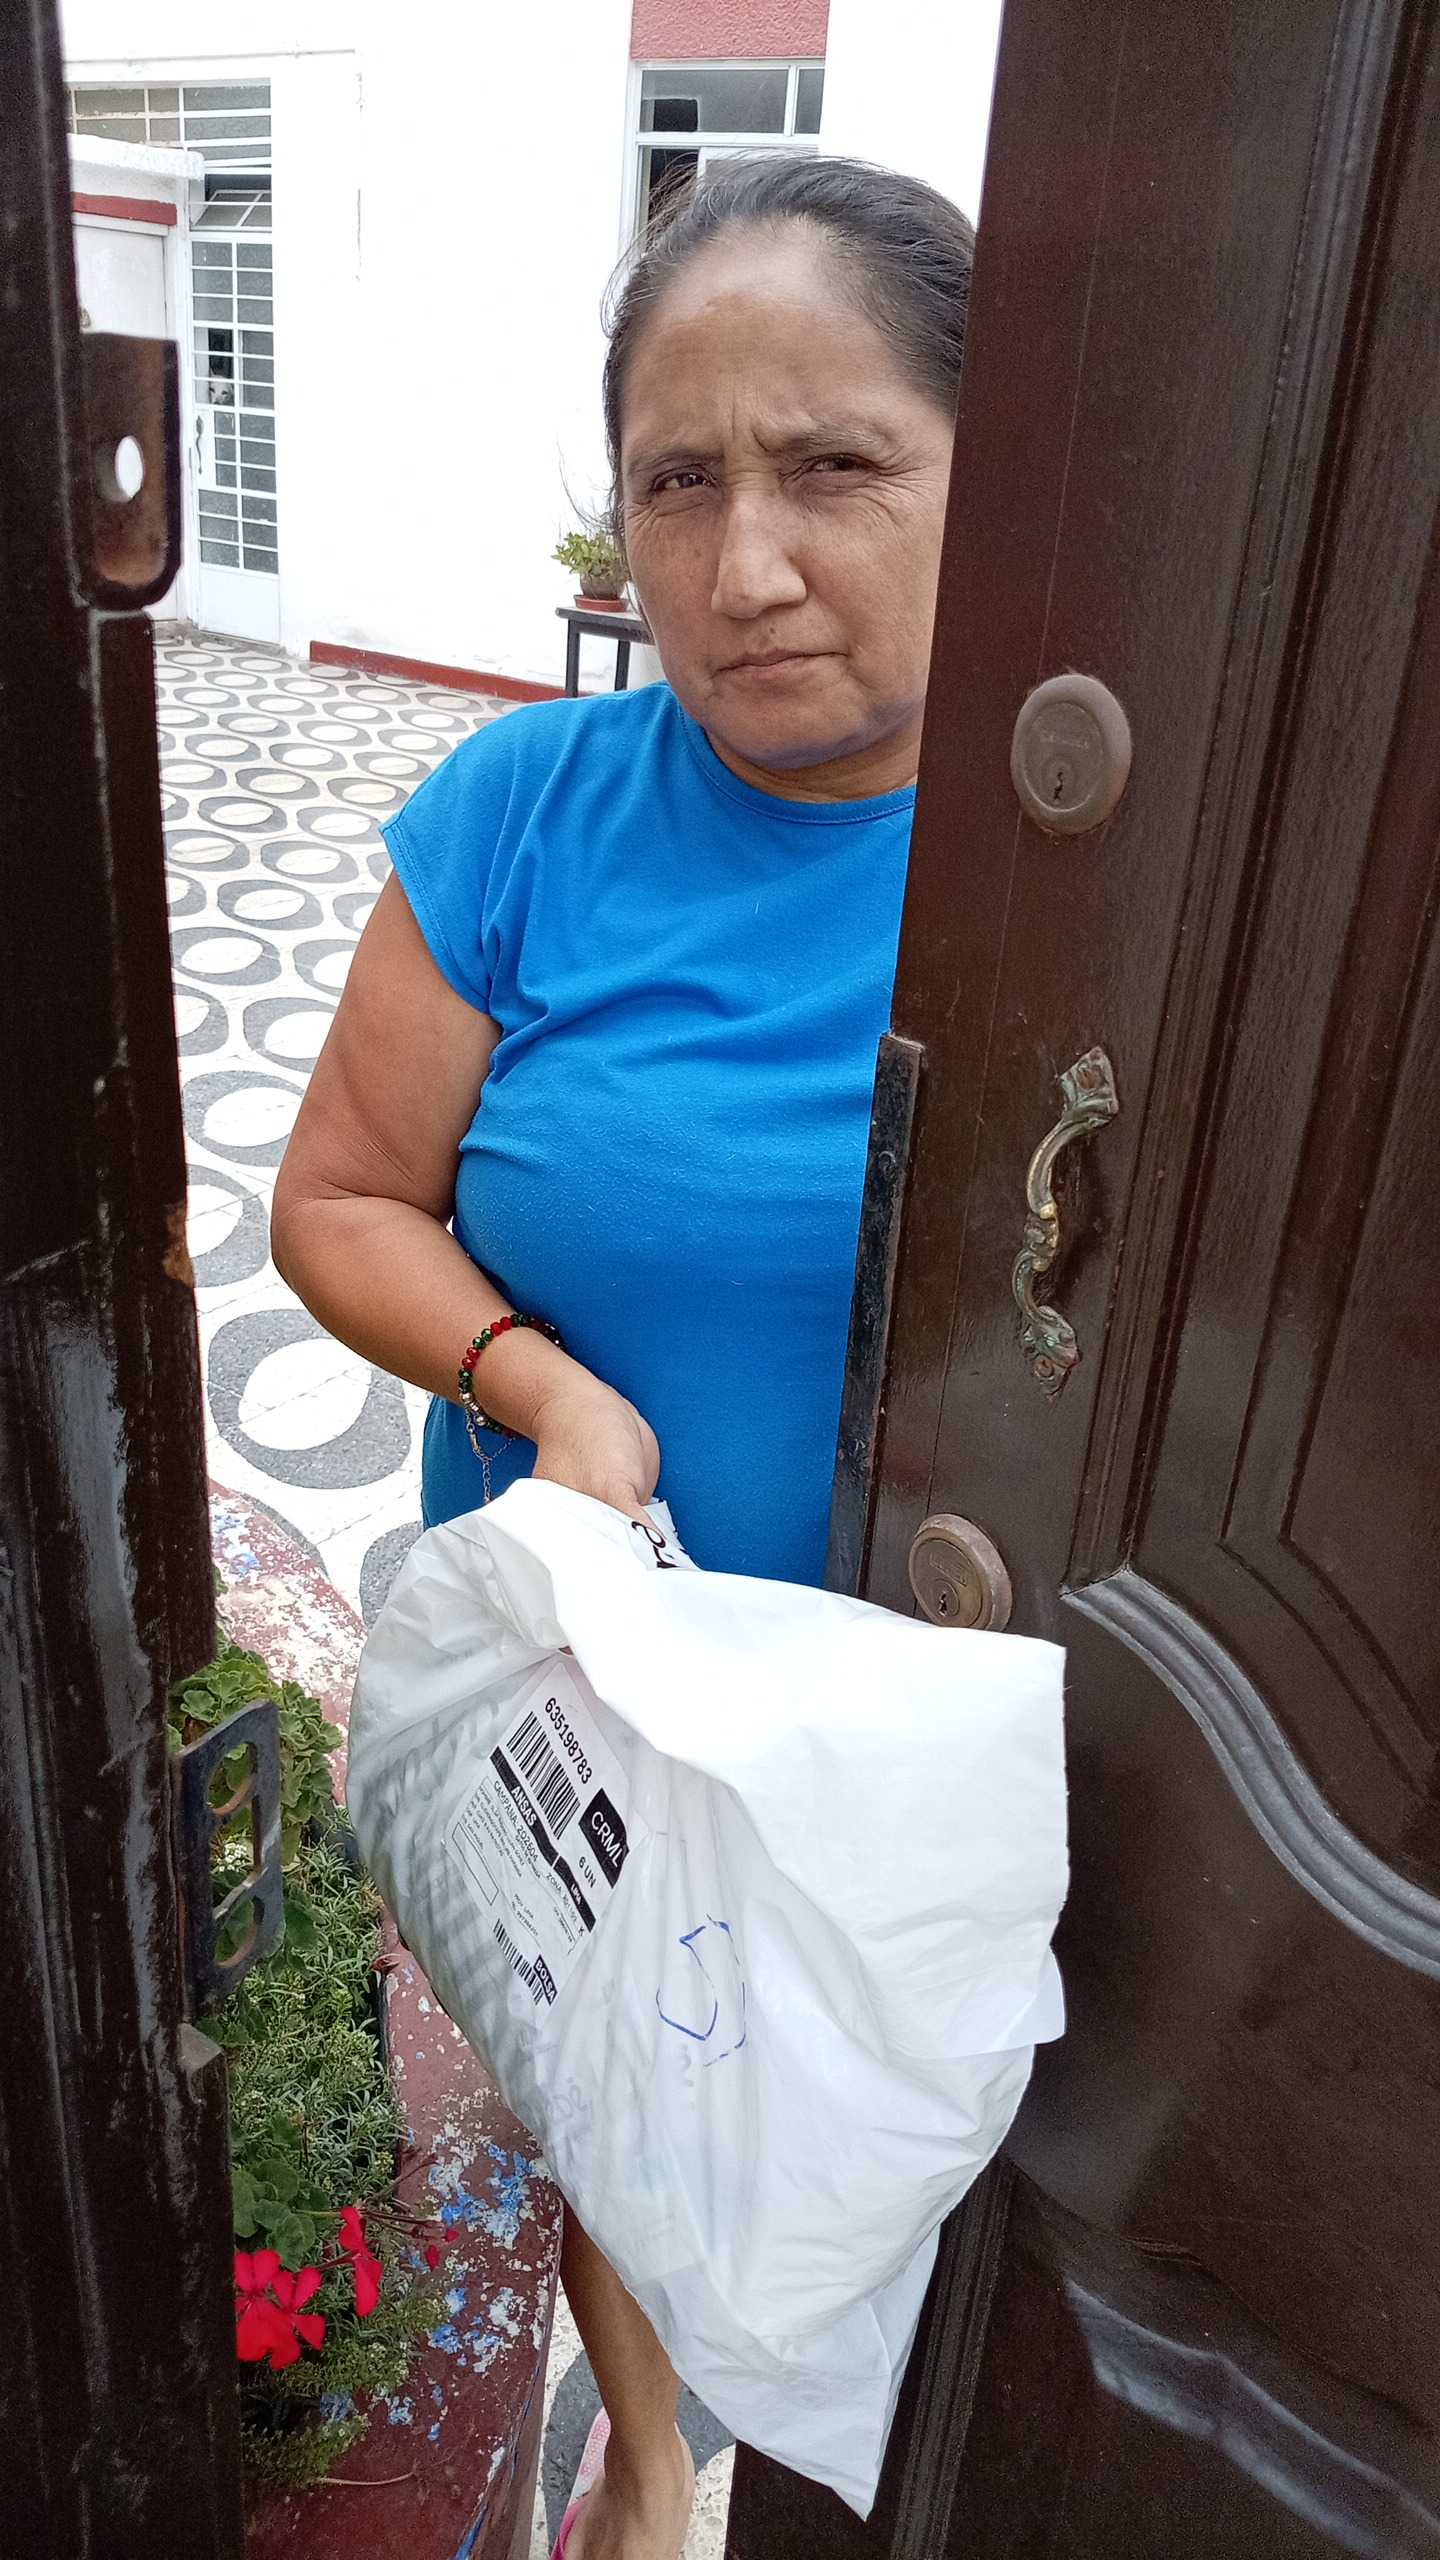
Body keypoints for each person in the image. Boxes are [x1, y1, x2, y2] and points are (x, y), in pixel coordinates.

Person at [273, 153, 973, 2560]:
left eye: (837, 464)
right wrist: (539, 1383)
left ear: (991, 474)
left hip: (923, 1748)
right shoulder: (522, 812)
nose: (743, 561)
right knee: (614, 2084)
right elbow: (339, 1197)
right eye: (679, 481)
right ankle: (653, 2452)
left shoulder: (1096, 870)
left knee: (889, 2168)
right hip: (601, 1721)